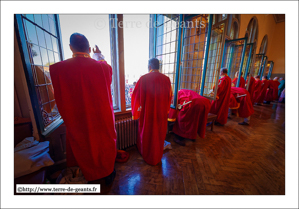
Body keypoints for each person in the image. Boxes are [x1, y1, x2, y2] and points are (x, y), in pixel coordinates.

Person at [50, 33, 116, 185]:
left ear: (70, 47)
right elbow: (106, 69)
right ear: (89, 48)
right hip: (102, 118)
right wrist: (98, 54)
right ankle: (107, 175)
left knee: (85, 149)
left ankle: (90, 177)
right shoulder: (102, 68)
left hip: (78, 121)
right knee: (104, 147)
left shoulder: (59, 69)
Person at [131, 58, 172, 165]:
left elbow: (135, 96)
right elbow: (169, 96)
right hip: (161, 113)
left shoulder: (144, 78)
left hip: (148, 113)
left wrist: (135, 112)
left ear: (149, 66)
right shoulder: (166, 79)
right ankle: (157, 156)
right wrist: (166, 109)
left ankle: (148, 155)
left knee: (147, 133)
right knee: (158, 134)